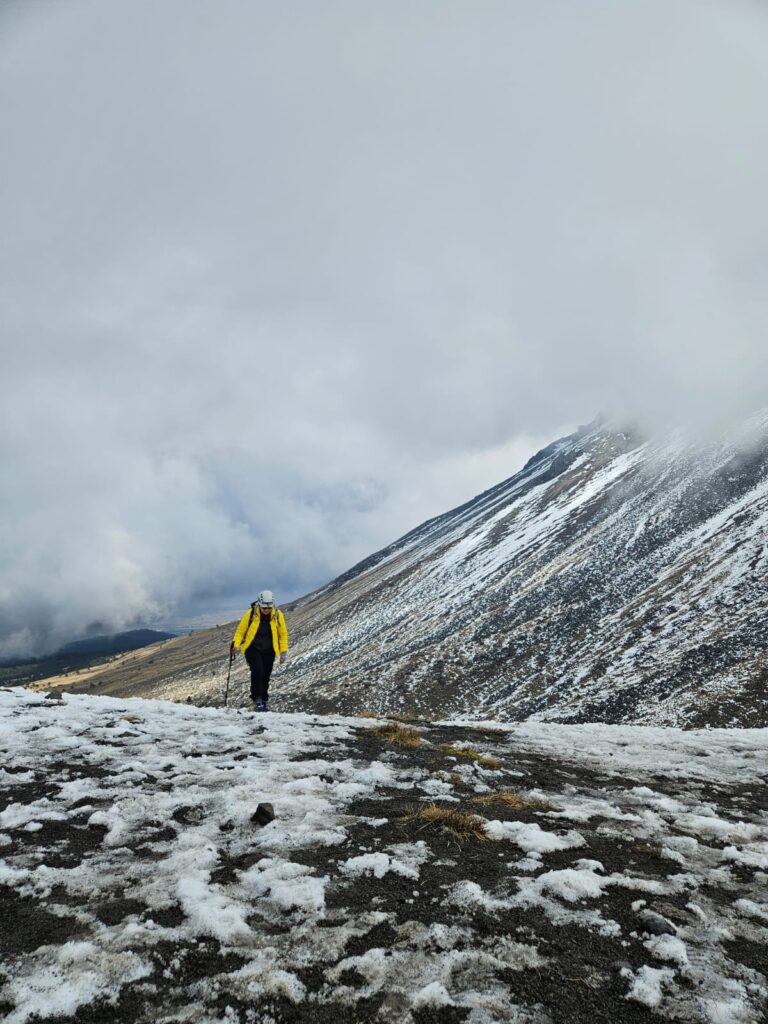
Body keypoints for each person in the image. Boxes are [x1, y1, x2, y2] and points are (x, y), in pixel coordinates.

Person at [230, 590, 288, 711]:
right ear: (259, 604)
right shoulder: (251, 613)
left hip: (269, 649)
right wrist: (235, 644)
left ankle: (264, 699)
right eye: (264, 607)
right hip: (252, 647)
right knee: (257, 670)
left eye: (269, 606)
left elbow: (283, 634)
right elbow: (241, 630)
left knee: (266, 674)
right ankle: (257, 699)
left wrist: (283, 652)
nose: (266, 609)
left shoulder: (277, 615)